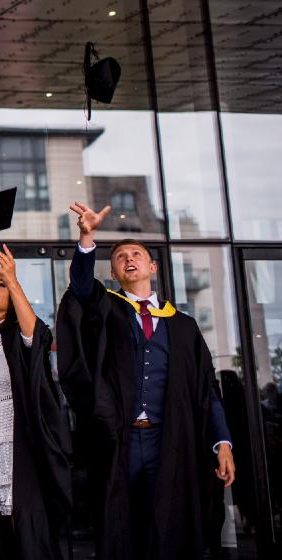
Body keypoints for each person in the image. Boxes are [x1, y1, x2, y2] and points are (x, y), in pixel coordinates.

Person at [57, 202, 235, 560]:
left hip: (169, 439)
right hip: (119, 439)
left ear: (152, 266)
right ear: (114, 272)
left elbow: (205, 389)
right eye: (120, 257)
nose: (128, 259)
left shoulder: (182, 325)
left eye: (136, 253)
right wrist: (87, 237)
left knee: (170, 526)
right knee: (121, 526)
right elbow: (80, 285)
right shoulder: (106, 309)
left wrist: (222, 442)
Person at [0, 245, 71, 559]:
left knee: (28, 520)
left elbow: (36, 334)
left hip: (23, 443)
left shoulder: (17, 337)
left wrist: (13, 278)